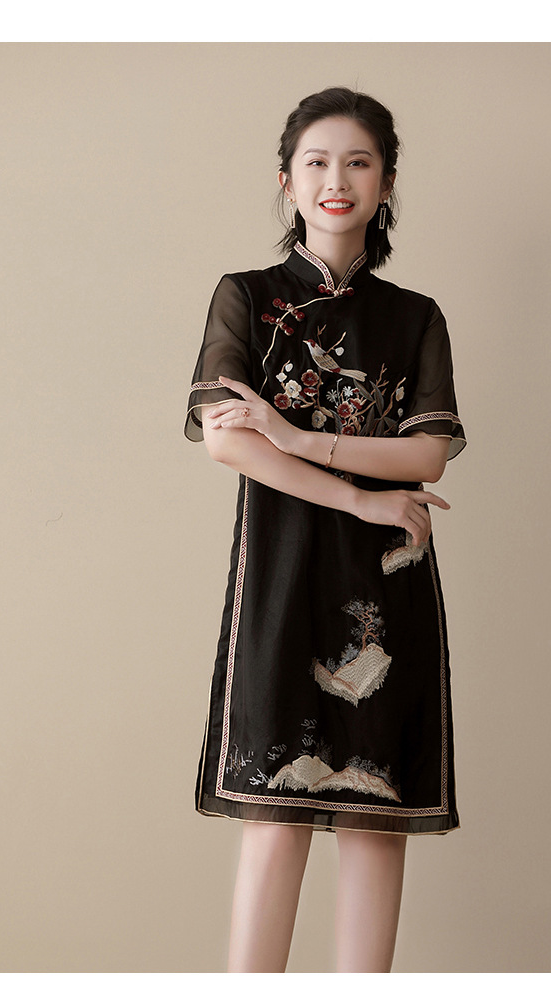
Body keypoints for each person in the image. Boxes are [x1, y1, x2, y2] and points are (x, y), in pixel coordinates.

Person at [183, 86, 467, 973]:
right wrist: (360, 496)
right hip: (281, 576)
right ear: (287, 181)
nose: (336, 179)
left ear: (386, 183)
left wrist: (301, 436)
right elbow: (227, 442)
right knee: (276, 820)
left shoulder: (415, 317)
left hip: (387, 581)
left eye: (358, 162)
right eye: (316, 162)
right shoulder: (247, 298)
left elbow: (427, 456)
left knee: (377, 821)